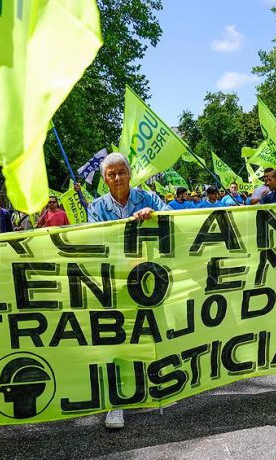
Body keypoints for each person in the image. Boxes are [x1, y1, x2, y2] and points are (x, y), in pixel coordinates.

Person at [87, 153, 170, 429]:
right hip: (116, 284)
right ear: (104, 179)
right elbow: (95, 241)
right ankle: (116, 404)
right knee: (117, 342)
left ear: (130, 174)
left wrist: (154, 215)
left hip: (150, 281)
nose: (117, 178)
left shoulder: (149, 198)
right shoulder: (96, 208)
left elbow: (173, 220)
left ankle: (160, 389)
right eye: (111, 174)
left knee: (155, 332)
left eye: (121, 172)